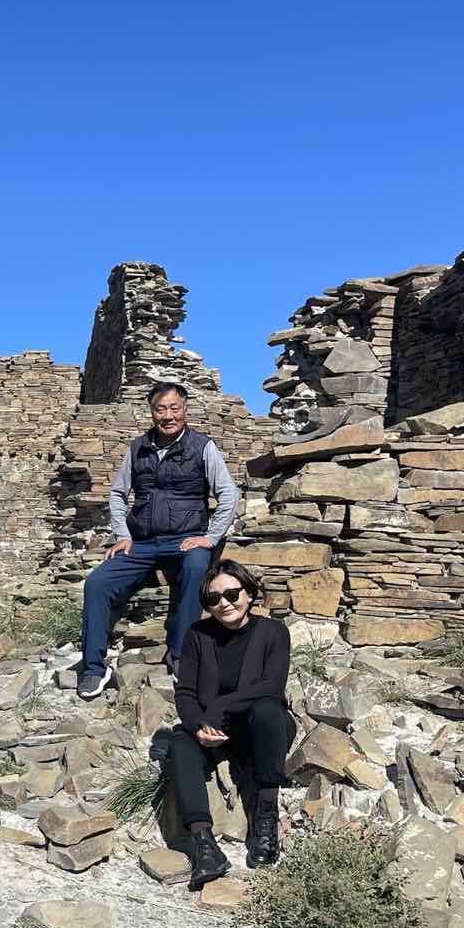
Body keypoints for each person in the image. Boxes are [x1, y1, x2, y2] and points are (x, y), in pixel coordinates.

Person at [77, 381, 241, 700]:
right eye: (160, 409)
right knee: (97, 583)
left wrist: (210, 537)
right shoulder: (137, 447)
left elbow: (228, 494)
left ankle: (180, 655)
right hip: (141, 542)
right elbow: (117, 494)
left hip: (184, 539)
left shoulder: (202, 446)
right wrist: (122, 535)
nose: (168, 416)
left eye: (174, 408)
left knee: (196, 569)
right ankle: (94, 668)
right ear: (151, 412)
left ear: (185, 409)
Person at [169, 560, 292, 889]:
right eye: (213, 598)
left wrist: (219, 706)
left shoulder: (273, 632)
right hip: (213, 731)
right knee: (179, 741)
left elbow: (271, 687)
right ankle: (205, 845)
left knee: (267, 709)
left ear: (249, 593)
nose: (224, 603)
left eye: (232, 594)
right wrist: (198, 727)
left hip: (260, 729)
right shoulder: (198, 635)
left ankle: (265, 816)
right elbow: (185, 693)